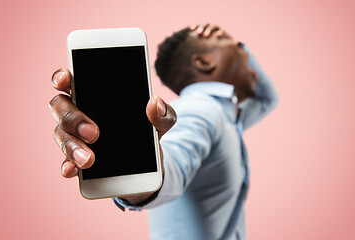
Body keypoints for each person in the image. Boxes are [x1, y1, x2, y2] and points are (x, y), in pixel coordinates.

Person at [50, 24, 279, 240]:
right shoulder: (201, 110)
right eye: (229, 41)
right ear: (204, 61)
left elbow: (268, 99)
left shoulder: (228, 113)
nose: (245, 53)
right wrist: (142, 179)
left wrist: (239, 47)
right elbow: (176, 165)